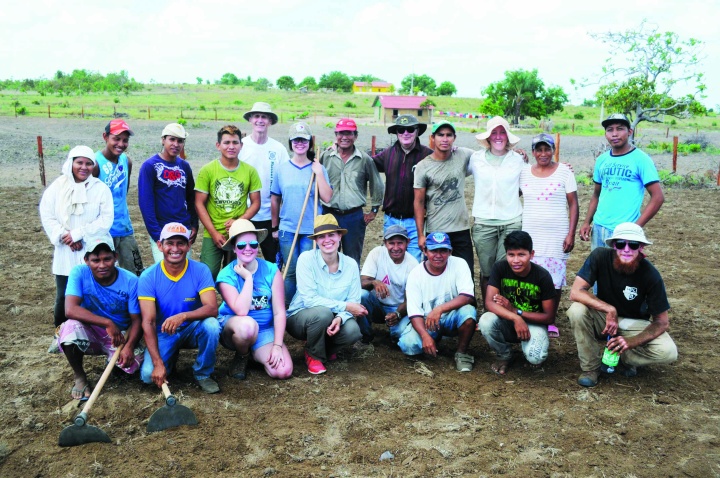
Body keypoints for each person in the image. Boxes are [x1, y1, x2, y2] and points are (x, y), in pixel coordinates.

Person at [567, 222, 677, 387]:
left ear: (641, 247)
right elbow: (575, 291)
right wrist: (609, 309)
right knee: (576, 310)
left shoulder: (651, 275)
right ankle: (591, 367)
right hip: (604, 318)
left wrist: (632, 341)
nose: (626, 249)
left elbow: (662, 321)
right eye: (621, 244)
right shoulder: (600, 256)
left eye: (633, 245)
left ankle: (625, 357)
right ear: (614, 246)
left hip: (633, 323)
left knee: (669, 352)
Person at [39, 145, 114, 350]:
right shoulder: (57, 187)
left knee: (93, 294)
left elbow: (105, 220)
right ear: (71, 162)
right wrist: (65, 236)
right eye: (79, 162)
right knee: (63, 295)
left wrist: (79, 234)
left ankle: (97, 335)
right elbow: (47, 214)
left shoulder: (100, 188)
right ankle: (60, 335)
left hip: (92, 249)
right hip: (66, 250)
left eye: (89, 163)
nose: (84, 167)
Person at [58, 235, 143, 400]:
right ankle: (80, 376)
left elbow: (136, 320)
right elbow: (70, 309)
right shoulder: (79, 273)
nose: (102, 265)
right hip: (90, 329)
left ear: (115, 257)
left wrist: (129, 346)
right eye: (96, 260)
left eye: (107, 259)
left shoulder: (131, 280)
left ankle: (114, 362)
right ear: (86, 260)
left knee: (132, 366)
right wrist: (107, 322)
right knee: (69, 328)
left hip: (120, 336)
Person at [139, 222, 221, 394]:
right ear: (160, 245)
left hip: (192, 328)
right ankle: (169, 358)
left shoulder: (200, 270)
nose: (175, 248)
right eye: (170, 243)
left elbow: (212, 308)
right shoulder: (148, 276)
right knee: (147, 376)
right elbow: (148, 321)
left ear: (189, 245)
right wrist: (157, 363)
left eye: (180, 243)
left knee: (212, 325)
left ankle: (203, 373)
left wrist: (183, 316)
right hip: (164, 331)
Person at [286, 215, 365, 375]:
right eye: (321, 236)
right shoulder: (306, 259)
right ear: (315, 240)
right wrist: (345, 307)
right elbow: (309, 300)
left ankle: (324, 347)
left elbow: (354, 301)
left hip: (332, 317)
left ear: (339, 236)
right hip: (301, 317)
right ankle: (314, 355)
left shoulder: (350, 264)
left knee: (353, 331)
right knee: (322, 313)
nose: (327, 240)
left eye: (331, 235)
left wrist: (340, 317)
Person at [215, 219, 293, 380]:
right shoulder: (226, 275)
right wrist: (248, 278)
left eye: (253, 244)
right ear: (235, 249)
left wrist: (277, 345)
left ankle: (254, 353)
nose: (248, 249)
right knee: (247, 326)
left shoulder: (271, 270)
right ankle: (242, 355)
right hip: (236, 328)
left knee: (283, 371)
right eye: (242, 245)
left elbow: (279, 312)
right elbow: (241, 311)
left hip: (264, 330)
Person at [520, 133, 579, 337]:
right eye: (539, 149)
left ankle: (550, 318)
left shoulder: (564, 172)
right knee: (531, 274)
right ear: (533, 152)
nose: (543, 153)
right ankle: (533, 315)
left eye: (547, 149)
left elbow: (573, 204)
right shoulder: (524, 172)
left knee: (554, 278)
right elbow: (509, 191)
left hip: (556, 234)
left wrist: (570, 233)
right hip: (531, 232)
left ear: (553, 150)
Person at [579, 113, 664, 250]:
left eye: (620, 129)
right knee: (600, 269)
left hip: (624, 231)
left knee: (621, 270)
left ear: (630, 132)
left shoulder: (641, 159)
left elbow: (658, 197)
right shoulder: (602, 160)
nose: (614, 134)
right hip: (599, 228)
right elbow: (596, 194)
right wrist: (587, 222)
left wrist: (634, 228)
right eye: (610, 130)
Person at [478, 231, 557, 375]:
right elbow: (489, 303)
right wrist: (515, 317)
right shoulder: (500, 268)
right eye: (511, 255)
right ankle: (505, 355)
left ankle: (529, 348)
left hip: (534, 324)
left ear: (531, 254)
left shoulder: (543, 276)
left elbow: (549, 317)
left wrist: (517, 311)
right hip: (508, 320)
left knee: (535, 357)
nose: (515, 260)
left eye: (521, 254)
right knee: (486, 320)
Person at [270, 122, 332, 304]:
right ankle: (286, 309)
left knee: (307, 270)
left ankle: (305, 306)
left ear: (309, 143)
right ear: (290, 142)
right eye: (296, 140)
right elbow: (275, 199)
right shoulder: (282, 169)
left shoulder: (318, 168)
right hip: (287, 228)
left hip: (311, 230)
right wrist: (275, 227)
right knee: (290, 270)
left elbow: (327, 197)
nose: (300, 143)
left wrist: (319, 173)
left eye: (304, 140)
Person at [469, 116, 527, 304]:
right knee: (487, 271)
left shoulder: (518, 159)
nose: (498, 136)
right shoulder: (475, 158)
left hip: (511, 221)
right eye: (494, 132)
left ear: (508, 136)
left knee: (506, 268)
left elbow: (533, 179)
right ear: (488, 137)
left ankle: (505, 309)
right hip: (484, 223)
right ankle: (488, 309)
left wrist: (562, 168)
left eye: (502, 132)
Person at [400, 232, 477, 372]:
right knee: (408, 345)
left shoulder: (459, 263)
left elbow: (467, 296)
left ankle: (461, 353)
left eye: (443, 251)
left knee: (469, 312)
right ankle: (433, 339)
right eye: (433, 250)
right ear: (424, 251)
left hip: (450, 316)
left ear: (450, 251)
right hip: (427, 320)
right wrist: (425, 336)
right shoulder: (416, 274)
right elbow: (414, 312)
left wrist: (439, 309)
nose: (438, 255)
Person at [195, 125, 262, 279]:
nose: (231, 146)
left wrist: (239, 222)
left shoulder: (250, 171)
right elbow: (199, 203)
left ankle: (232, 302)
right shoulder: (208, 171)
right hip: (213, 231)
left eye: (235, 142)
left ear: (241, 145)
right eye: (226, 142)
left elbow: (256, 203)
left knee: (236, 272)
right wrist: (213, 232)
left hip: (239, 232)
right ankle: (207, 302)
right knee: (208, 272)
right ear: (218, 145)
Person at [319, 118, 384, 265]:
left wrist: (373, 210)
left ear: (355, 136)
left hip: (353, 217)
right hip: (329, 214)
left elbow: (377, 185)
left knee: (352, 258)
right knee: (328, 256)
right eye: (341, 133)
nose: (344, 137)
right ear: (336, 135)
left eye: (349, 133)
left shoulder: (364, 159)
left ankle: (352, 287)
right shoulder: (325, 157)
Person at [413, 121, 475, 273]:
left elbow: (487, 156)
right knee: (435, 273)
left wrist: (516, 152)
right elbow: (419, 202)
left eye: (449, 135)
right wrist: (421, 235)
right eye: (440, 135)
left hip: (461, 229)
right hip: (436, 230)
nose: (445, 139)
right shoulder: (423, 167)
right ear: (432, 138)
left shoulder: (463, 155)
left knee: (466, 272)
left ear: (454, 138)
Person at [372, 114, 433, 261]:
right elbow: (366, 164)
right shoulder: (388, 154)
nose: (406, 133)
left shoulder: (429, 156)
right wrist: (340, 148)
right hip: (391, 219)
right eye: (401, 130)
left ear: (417, 131)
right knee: (392, 261)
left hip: (415, 221)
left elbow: (446, 162)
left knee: (414, 262)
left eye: (410, 129)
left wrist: (453, 151)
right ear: (396, 133)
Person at [138, 123, 198, 263]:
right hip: (161, 229)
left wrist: (194, 224)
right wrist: (157, 235)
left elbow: (191, 198)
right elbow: (146, 204)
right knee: (164, 271)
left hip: (183, 228)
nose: (176, 144)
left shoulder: (184, 166)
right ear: (163, 140)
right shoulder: (150, 166)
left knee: (182, 269)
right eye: (172, 139)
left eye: (180, 141)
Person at [239, 102, 290, 262]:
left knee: (272, 260)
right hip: (245, 213)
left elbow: (287, 176)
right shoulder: (241, 146)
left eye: (264, 117)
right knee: (244, 257)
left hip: (270, 215)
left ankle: (271, 287)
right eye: (257, 116)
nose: (260, 120)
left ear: (270, 121)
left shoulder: (278, 149)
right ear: (251, 120)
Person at [93, 119, 144, 276]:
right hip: (103, 231)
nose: (121, 144)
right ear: (105, 137)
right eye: (116, 138)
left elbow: (122, 194)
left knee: (135, 271)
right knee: (104, 273)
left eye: (125, 140)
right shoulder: (95, 164)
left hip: (124, 228)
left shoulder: (126, 161)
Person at [358, 225, 419, 344]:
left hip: (398, 307)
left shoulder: (413, 265)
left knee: (398, 334)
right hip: (377, 304)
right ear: (385, 243)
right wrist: (374, 282)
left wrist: (397, 313)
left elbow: (411, 300)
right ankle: (366, 335)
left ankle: (394, 333)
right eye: (391, 243)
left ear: (407, 242)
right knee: (362, 295)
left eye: (400, 243)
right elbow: (361, 283)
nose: (396, 248)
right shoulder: (376, 253)